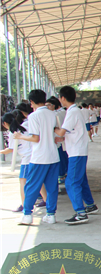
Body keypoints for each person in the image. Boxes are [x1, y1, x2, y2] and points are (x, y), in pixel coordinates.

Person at [15, 90, 60, 225]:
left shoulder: (34, 116)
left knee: (32, 186)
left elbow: (35, 138)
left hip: (39, 157)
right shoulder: (53, 114)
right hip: (53, 156)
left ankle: (27, 215)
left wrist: (20, 136)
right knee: (52, 188)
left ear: (32, 102)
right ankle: (51, 215)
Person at [54, 86, 98, 225]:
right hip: (78, 151)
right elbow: (70, 132)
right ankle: (90, 205)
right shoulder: (74, 111)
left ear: (62, 98)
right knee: (81, 180)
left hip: (77, 153)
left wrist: (51, 127)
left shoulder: (72, 112)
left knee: (71, 182)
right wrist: (62, 137)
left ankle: (80, 213)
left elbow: (61, 132)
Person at [1, 110, 46, 213]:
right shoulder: (24, 128)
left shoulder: (14, 133)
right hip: (34, 157)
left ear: (4, 123)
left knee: (22, 182)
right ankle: (46, 200)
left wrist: (1, 152)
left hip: (26, 160)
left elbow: (11, 149)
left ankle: (24, 204)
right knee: (37, 181)